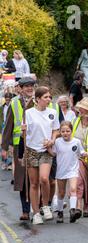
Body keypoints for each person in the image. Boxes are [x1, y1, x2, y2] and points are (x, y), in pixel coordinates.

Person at [21, 86, 60, 225]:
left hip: (46, 150)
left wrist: (52, 140)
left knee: (44, 178)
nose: (49, 99)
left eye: (50, 97)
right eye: (46, 97)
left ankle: (46, 206)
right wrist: (23, 131)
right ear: (38, 99)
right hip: (32, 150)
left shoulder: (53, 113)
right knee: (34, 183)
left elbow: (56, 130)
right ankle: (36, 213)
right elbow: (24, 134)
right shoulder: (29, 113)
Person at [1, 77, 36, 221]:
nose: (29, 89)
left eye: (31, 86)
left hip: (36, 145)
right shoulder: (14, 103)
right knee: (22, 179)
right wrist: (4, 147)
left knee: (36, 178)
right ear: (20, 88)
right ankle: (25, 210)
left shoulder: (38, 101)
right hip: (19, 146)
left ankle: (38, 208)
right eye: (26, 86)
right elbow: (8, 125)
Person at [48, 121, 88, 223]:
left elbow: (82, 152)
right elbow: (53, 154)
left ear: (71, 131)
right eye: (63, 131)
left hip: (73, 170)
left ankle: (72, 211)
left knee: (73, 189)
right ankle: (60, 212)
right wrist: (47, 148)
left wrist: (86, 154)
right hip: (61, 170)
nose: (65, 133)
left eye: (68, 131)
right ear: (60, 132)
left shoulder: (76, 142)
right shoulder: (57, 142)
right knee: (61, 193)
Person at [1, 93, 13, 170]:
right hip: (3, 128)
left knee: (10, 147)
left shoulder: (13, 107)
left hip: (10, 128)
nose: (8, 101)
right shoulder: (2, 107)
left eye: (9, 99)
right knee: (3, 146)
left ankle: (9, 163)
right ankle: (5, 163)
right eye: (6, 99)